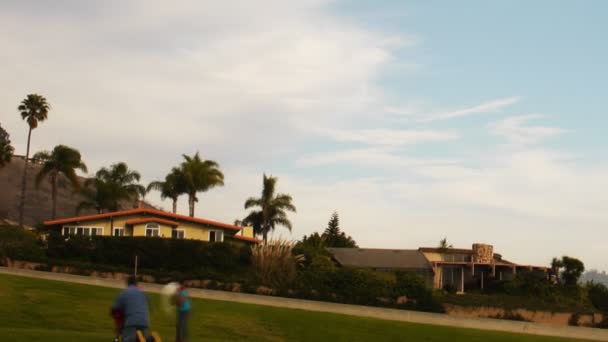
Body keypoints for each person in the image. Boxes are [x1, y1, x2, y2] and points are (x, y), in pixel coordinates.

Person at [112, 275, 150, 342]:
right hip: (145, 323)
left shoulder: (124, 293)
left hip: (131, 324)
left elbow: (115, 309)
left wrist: (118, 326)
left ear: (127, 283)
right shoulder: (143, 294)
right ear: (136, 283)